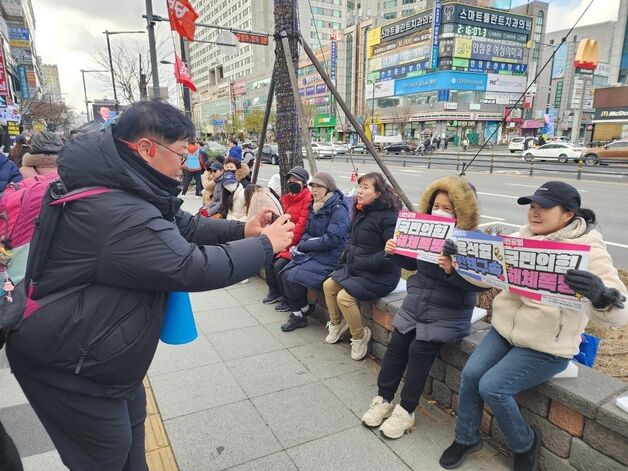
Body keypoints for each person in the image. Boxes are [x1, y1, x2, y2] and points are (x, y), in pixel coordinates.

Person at [5, 100, 295, 471]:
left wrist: (244, 229)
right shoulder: (116, 210)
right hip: (67, 364)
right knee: (106, 458)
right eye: (181, 151)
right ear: (146, 148)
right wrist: (266, 244)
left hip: (103, 360)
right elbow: (191, 266)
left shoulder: (127, 182)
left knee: (132, 437)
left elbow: (183, 226)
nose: (187, 161)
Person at [440, 181, 628, 471]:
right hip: (504, 331)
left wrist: (601, 295)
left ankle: (524, 443)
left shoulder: (589, 248)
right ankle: (466, 438)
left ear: (568, 214)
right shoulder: (519, 237)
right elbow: (487, 276)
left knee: (493, 386)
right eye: (532, 207)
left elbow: (618, 314)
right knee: (471, 374)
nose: (534, 213)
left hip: (548, 346)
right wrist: (460, 260)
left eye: (544, 208)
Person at [360, 176, 483, 439]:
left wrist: (453, 269)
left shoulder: (474, 241)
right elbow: (413, 265)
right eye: (436, 205)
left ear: (463, 210)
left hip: (450, 311)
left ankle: (406, 410)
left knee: (420, 349)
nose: (440, 211)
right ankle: (383, 398)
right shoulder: (425, 227)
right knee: (397, 345)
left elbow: (480, 286)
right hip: (417, 303)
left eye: (448, 208)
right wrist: (395, 250)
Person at [323, 172, 402, 361]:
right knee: (328, 285)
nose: (360, 191)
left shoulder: (388, 217)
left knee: (345, 298)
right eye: (359, 186)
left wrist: (361, 262)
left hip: (381, 275)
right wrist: (349, 256)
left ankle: (359, 336)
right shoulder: (361, 210)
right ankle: (337, 323)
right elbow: (350, 239)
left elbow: (390, 255)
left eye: (365, 187)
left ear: (378, 193)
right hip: (359, 269)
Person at [279, 173, 349, 332]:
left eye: (319, 186)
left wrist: (305, 246)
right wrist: (304, 242)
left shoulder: (338, 209)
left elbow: (332, 239)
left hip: (332, 256)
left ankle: (299, 315)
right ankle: (302, 310)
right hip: (315, 252)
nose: (314, 190)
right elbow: (307, 231)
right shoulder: (315, 205)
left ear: (328, 188)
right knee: (284, 271)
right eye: (312, 186)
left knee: (291, 276)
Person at [263, 166, 312, 308]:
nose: (292, 182)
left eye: (295, 179)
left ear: (303, 182)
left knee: (280, 265)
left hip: (296, 242)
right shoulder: (288, 199)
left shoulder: (307, 199)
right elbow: (284, 221)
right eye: (290, 179)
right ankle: (274, 291)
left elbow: (300, 227)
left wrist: (285, 243)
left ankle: (287, 298)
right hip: (286, 239)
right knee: (268, 255)